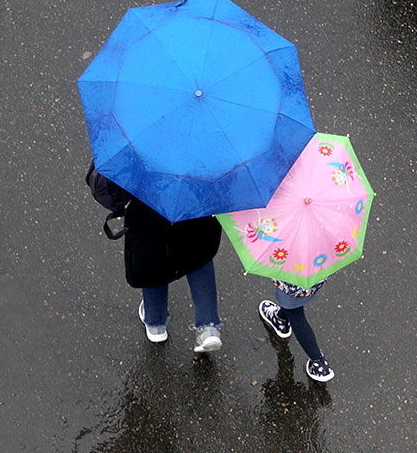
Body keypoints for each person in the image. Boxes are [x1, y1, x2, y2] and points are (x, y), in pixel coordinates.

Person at [86, 163, 223, 352]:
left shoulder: (138, 139)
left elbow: (115, 187)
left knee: (152, 264)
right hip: (194, 204)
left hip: (148, 211)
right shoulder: (207, 138)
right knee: (199, 257)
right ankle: (208, 326)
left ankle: (155, 323)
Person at [257, 279, 333, 382]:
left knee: (294, 311)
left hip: (291, 280)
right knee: (292, 304)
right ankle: (280, 318)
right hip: (313, 277)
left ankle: (318, 363)